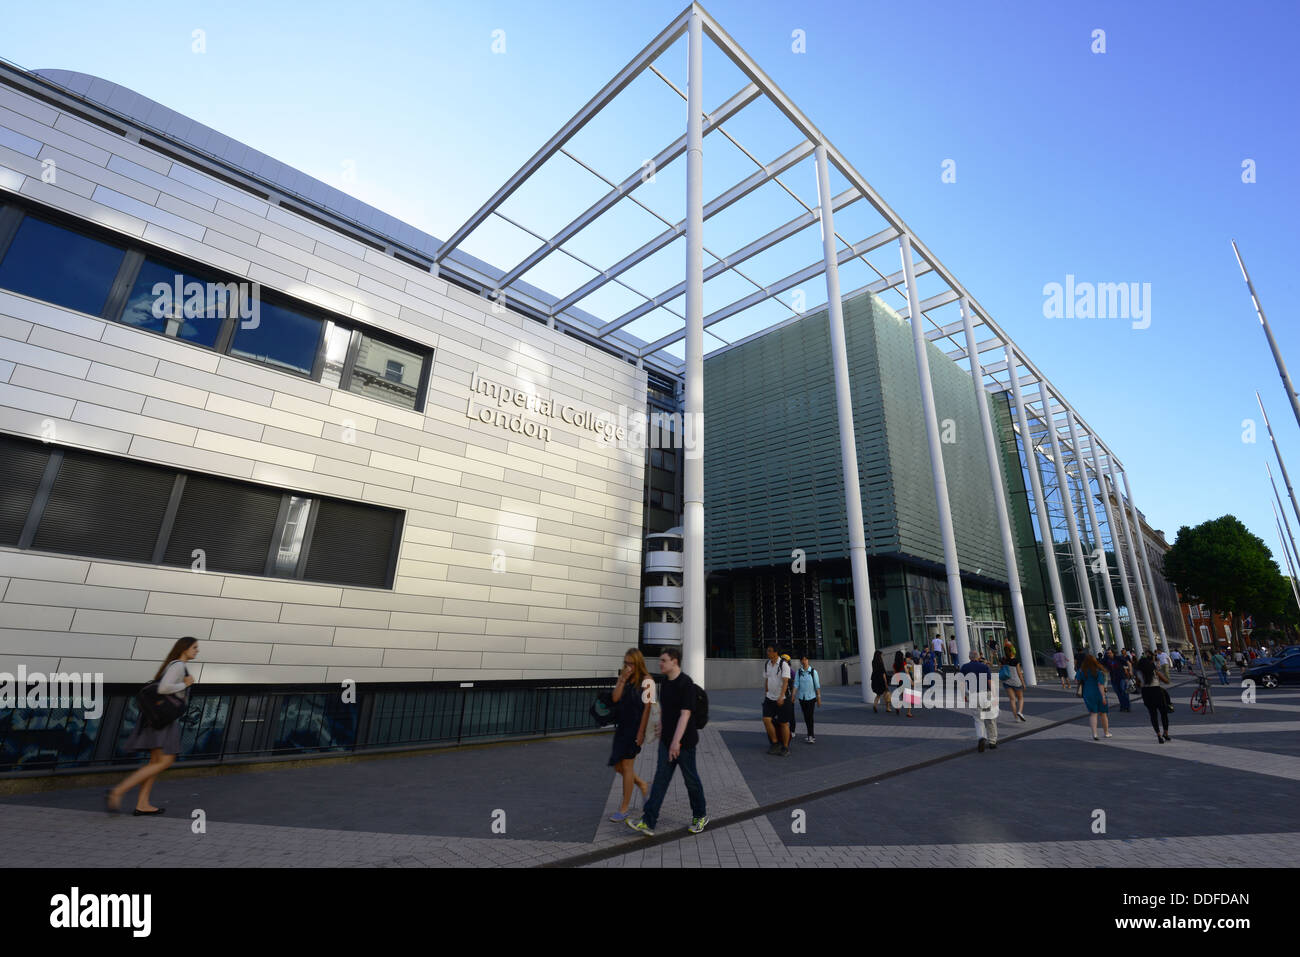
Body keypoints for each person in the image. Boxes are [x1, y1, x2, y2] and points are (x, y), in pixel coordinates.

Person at [107, 637, 199, 815]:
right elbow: (164, 688)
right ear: (184, 648)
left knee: (155, 762)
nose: (197, 651)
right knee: (166, 761)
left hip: (157, 719)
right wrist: (185, 684)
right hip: (162, 720)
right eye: (194, 647)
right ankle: (117, 791)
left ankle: (142, 804)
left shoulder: (174, 665)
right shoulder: (178, 665)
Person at [627, 648, 707, 837]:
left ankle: (700, 815)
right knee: (660, 781)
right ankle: (648, 822)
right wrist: (661, 727)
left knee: (691, 781)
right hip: (666, 742)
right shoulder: (665, 683)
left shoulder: (685, 683)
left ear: (675, 662)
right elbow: (666, 709)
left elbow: (685, 714)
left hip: (684, 743)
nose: (660, 663)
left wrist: (676, 742)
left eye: (663, 660)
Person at [607, 648, 652, 822]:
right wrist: (622, 679)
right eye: (626, 663)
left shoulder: (647, 681)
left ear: (638, 663)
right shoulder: (625, 679)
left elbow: (648, 709)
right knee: (618, 766)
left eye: (631, 664)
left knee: (626, 766)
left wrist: (641, 733)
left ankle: (624, 808)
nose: (628, 666)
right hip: (622, 728)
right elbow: (615, 699)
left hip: (635, 728)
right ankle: (642, 784)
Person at [960, 649, 998, 751]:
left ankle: (981, 737)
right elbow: (989, 681)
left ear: (969, 657)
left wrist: (963, 695)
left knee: (978, 719)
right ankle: (992, 741)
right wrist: (994, 695)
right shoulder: (984, 666)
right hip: (986, 694)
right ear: (978, 657)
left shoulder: (964, 667)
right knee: (990, 718)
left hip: (973, 695)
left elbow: (962, 683)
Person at [1135, 651, 1172, 743]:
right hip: (1157, 691)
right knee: (1163, 713)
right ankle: (1166, 733)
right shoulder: (1154, 671)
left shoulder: (1139, 673)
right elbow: (1166, 681)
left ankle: (1159, 735)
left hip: (1146, 693)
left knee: (1153, 714)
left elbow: (1138, 685)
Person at [762, 645, 792, 756]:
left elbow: (785, 682)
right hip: (769, 698)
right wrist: (766, 692)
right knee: (766, 719)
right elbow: (767, 679)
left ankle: (785, 747)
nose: (767, 653)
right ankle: (775, 743)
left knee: (784, 723)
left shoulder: (783, 665)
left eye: (769, 651)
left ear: (775, 653)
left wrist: (781, 696)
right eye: (767, 650)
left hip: (782, 699)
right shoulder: (767, 664)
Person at [1075, 654, 1111, 741]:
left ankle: (1095, 734)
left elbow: (1077, 680)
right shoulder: (1098, 671)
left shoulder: (1081, 671)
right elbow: (1100, 684)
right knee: (1103, 714)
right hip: (1098, 693)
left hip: (1087, 693)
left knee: (1093, 714)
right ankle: (1106, 733)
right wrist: (1103, 696)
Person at [794, 655, 821, 743]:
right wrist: (793, 696)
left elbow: (817, 686)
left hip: (811, 698)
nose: (804, 661)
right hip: (802, 698)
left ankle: (811, 735)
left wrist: (819, 698)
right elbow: (796, 685)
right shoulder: (799, 672)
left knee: (809, 716)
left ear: (808, 660)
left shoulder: (813, 672)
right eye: (802, 659)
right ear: (801, 661)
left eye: (805, 659)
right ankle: (810, 734)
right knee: (806, 717)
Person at [999, 648, 1026, 721]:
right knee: (1020, 698)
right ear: (1013, 652)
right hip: (1016, 682)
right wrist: (1023, 683)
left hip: (1007, 682)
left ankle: (1016, 718)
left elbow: (1001, 668)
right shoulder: (1016, 661)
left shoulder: (1003, 660)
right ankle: (1020, 712)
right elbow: (1019, 673)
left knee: (1012, 699)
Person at [1103, 648, 1131, 713]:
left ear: (1113, 653)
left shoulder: (1118, 658)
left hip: (1122, 678)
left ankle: (1127, 706)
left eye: (1109, 653)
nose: (1108, 654)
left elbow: (1129, 663)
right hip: (1114, 679)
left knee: (1124, 692)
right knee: (1118, 693)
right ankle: (1122, 706)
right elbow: (1104, 667)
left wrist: (1130, 671)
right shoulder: (1107, 660)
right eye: (1107, 653)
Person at [892, 650, 914, 718]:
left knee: (902, 696)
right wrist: (911, 681)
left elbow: (894, 673)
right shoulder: (903, 663)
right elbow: (907, 672)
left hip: (899, 681)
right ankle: (909, 712)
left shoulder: (894, 664)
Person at [870, 650, 893, 714]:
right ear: (879, 655)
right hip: (881, 679)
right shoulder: (880, 662)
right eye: (881, 655)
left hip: (875, 679)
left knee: (878, 694)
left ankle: (875, 705)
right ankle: (888, 708)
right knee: (887, 693)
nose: (882, 656)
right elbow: (883, 673)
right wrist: (885, 682)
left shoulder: (873, 662)